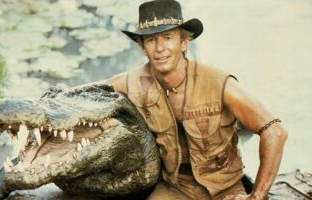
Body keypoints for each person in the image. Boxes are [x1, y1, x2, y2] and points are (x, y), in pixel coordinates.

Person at [101, 0, 288, 200]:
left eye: (167, 37)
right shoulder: (131, 82)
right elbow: (85, 96)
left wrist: (256, 197)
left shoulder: (218, 83)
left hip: (226, 188)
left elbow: (275, 131)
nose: (160, 48)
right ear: (143, 48)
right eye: (151, 40)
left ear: (184, 43)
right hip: (175, 188)